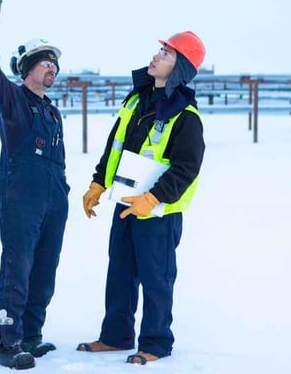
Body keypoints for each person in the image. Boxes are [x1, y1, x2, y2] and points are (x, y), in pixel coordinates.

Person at [78, 31, 206, 365]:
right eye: (160, 49)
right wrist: (97, 184)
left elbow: (186, 168)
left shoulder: (186, 117)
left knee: (156, 277)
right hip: (125, 204)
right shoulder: (137, 101)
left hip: (158, 213)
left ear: (180, 68)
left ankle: (156, 342)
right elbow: (115, 147)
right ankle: (116, 336)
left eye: (166, 53)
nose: (156, 55)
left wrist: (152, 198)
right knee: (119, 271)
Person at [0, 0, 69, 370]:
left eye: (54, 64)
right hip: (21, 194)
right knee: (18, 267)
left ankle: (31, 334)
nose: (51, 68)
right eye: (44, 62)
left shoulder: (51, 111)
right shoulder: (13, 100)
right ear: (27, 68)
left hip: (52, 196)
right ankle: (6, 342)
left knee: (45, 267)